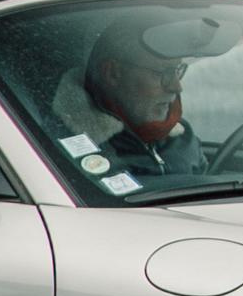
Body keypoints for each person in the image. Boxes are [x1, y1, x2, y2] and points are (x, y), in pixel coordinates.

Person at [79, 26, 215, 185]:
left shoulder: (183, 136)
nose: (177, 87)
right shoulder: (77, 148)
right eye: (161, 72)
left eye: (177, 70)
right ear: (113, 73)